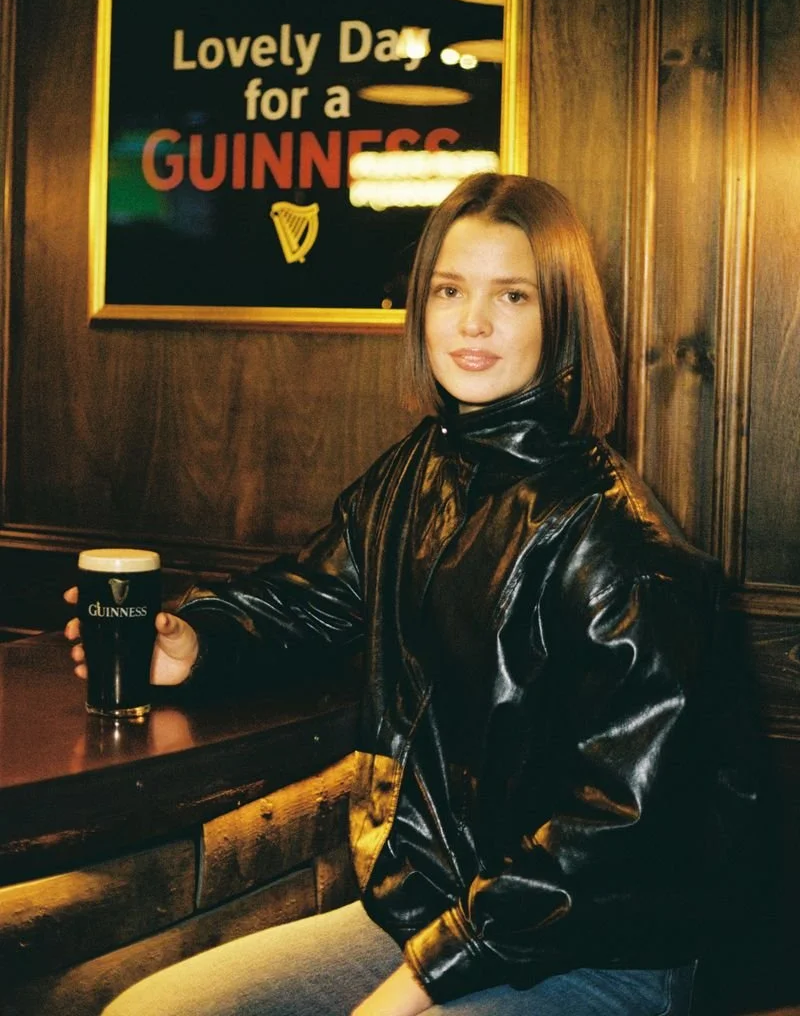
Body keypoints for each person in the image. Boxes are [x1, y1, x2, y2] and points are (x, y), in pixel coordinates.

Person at [65, 173, 753, 1015]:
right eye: (450, 290)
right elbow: (307, 597)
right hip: (430, 912)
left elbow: (614, 831)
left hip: (594, 952)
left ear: (562, 320)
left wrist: (423, 980)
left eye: (513, 296)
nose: (472, 322)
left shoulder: (623, 546)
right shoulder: (422, 466)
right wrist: (197, 643)